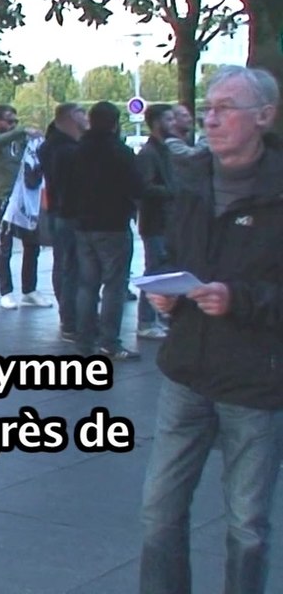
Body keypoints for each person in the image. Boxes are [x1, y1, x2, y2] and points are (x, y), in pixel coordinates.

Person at [139, 66, 283, 594]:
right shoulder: (192, 178)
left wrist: (237, 299)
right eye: (208, 108)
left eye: (225, 108)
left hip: (255, 380)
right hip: (186, 370)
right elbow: (179, 254)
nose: (211, 119)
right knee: (159, 513)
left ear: (263, 117)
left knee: (247, 525)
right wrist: (168, 291)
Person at [65, 101, 142, 361]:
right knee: (114, 285)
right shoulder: (120, 152)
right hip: (113, 225)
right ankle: (109, 341)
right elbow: (136, 187)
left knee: (87, 285)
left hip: (83, 225)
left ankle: (84, 341)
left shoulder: (77, 151)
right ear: (115, 123)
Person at [0, 105, 51, 309]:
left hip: (24, 197)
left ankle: (29, 289)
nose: (13, 125)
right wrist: (22, 131)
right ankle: (6, 291)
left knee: (32, 244)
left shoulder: (19, 141)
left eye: (16, 122)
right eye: (9, 121)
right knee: (4, 246)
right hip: (4, 197)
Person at [38, 102, 89, 343]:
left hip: (60, 212)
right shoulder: (66, 149)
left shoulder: (53, 145)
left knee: (65, 265)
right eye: (82, 114)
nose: (86, 118)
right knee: (71, 267)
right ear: (71, 117)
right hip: (69, 213)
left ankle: (69, 318)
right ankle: (71, 320)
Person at [135, 103, 176, 341]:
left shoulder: (164, 150)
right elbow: (145, 188)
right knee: (154, 270)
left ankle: (157, 317)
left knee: (163, 270)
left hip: (165, 220)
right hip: (155, 221)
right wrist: (173, 191)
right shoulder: (150, 154)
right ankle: (146, 320)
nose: (173, 124)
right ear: (157, 122)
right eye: (169, 120)